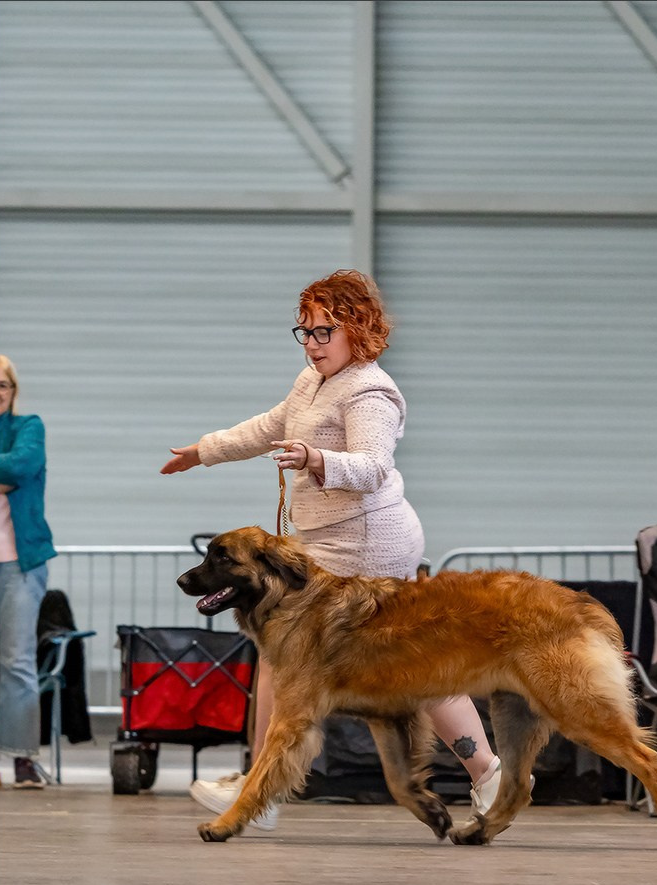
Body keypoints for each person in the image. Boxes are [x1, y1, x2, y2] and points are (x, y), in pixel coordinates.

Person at [161, 269, 512, 830]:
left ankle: (490, 773)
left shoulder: (371, 391)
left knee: (406, 670)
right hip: (322, 547)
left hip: (370, 546)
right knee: (287, 659)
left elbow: (374, 468)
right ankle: (262, 788)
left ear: (358, 328)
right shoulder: (312, 381)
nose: (313, 344)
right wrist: (204, 451)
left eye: (324, 331)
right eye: (305, 332)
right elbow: (268, 427)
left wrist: (316, 459)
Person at [0, 354, 57, 790]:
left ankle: (21, 760)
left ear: (14, 391)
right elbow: (7, 470)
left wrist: (7, 473)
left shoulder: (28, 426)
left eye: (3, 386)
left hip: (19, 561)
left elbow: (21, 465)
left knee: (17, 662)